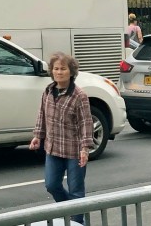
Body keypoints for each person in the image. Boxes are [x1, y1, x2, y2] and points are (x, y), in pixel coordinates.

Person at [29, 52, 93, 225]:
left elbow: (86, 123)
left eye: (63, 69)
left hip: (74, 151)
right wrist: (37, 136)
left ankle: (76, 220)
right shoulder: (48, 91)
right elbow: (42, 115)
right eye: (56, 69)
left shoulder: (79, 95)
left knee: (76, 192)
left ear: (71, 71)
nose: (59, 72)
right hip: (53, 149)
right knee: (51, 185)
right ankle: (73, 215)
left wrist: (85, 149)